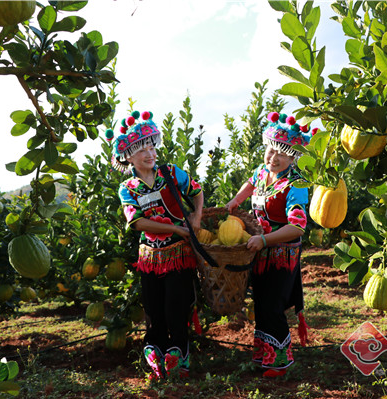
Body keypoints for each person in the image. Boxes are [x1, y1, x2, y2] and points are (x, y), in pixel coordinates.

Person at [108, 110, 204, 380]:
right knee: (154, 311)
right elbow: (136, 223)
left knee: (177, 306)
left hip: (178, 255)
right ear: (128, 157)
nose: (149, 154)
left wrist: (196, 217)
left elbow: (197, 192)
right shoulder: (128, 188)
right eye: (141, 150)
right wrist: (174, 227)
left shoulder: (171, 173)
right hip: (150, 258)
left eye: (151, 147)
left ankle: (179, 361)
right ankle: (158, 361)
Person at [226, 111, 313, 378]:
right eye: (271, 151)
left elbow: (297, 226)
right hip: (259, 251)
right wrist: (235, 202)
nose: (273, 159)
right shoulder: (264, 171)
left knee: (273, 305)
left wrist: (264, 239)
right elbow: (251, 183)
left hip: (281, 253)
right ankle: (264, 355)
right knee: (261, 303)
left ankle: (280, 362)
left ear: (293, 157)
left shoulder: (296, 183)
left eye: (281, 155)